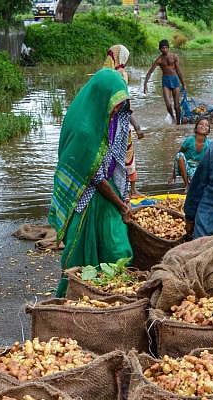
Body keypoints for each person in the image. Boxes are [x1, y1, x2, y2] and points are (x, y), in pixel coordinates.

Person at [48, 69, 134, 297]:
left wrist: (125, 197)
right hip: (84, 195)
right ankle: (73, 297)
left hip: (111, 191)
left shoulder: (117, 120)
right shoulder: (85, 129)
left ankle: (112, 295)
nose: (117, 108)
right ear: (101, 97)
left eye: (121, 102)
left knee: (118, 247)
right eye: (114, 102)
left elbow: (119, 163)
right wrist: (119, 203)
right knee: (78, 254)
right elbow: (94, 176)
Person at [104, 44, 144, 196]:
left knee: (109, 156)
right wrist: (136, 125)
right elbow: (124, 104)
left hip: (107, 123)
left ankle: (115, 190)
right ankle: (129, 191)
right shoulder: (121, 74)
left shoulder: (104, 74)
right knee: (126, 154)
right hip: (120, 123)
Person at [144, 39, 186, 125]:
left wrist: (183, 84)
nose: (164, 49)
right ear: (160, 49)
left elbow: (179, 71)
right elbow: (150, 72)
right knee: (168, 105)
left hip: (175, 80)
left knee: (177, 106)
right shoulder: (159, 60)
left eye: (166, 47)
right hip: (166, 81)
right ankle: (173, 118)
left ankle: (178, 123)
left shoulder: (174, 57)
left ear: (168, 48)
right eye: (162, 48)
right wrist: (145, 84)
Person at [168, 117, 210, 189]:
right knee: (180, 155)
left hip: (197, 168)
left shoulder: (208, 144)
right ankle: (186, 184)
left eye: (206, 125)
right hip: (186, 166)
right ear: (196, 128)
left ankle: (194, 181)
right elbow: (179, 154)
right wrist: (173, 174)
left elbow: (208, 162)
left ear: (208, 131)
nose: (203, 126)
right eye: (201, 124)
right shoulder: (189, 140)